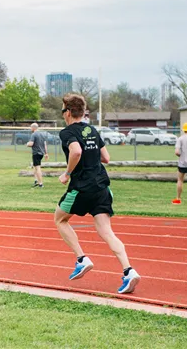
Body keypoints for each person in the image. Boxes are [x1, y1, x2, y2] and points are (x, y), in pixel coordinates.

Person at [54, 93, 141, 294]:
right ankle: (129, 271)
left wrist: (67, 173)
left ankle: (81, 259)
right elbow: (106, 157)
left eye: (62, 111)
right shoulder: (92, 130)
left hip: (82, 187)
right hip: (102, 186)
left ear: (67, 112)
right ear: (82, 112)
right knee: (106, 231)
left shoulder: (67, 132)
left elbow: (76, 152)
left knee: (60, 219)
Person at [26, 123, 49, 188]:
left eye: (31, 127)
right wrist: (46, 153)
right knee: (35, 166)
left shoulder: (34, 134)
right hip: (41, 153)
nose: (30, 129)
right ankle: (36, 180)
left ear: (33, 128)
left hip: (36, 153)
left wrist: (27, 144)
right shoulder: (42, 134)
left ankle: (40, 184)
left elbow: (31, 144)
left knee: (37, 167)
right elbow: (45, 145)